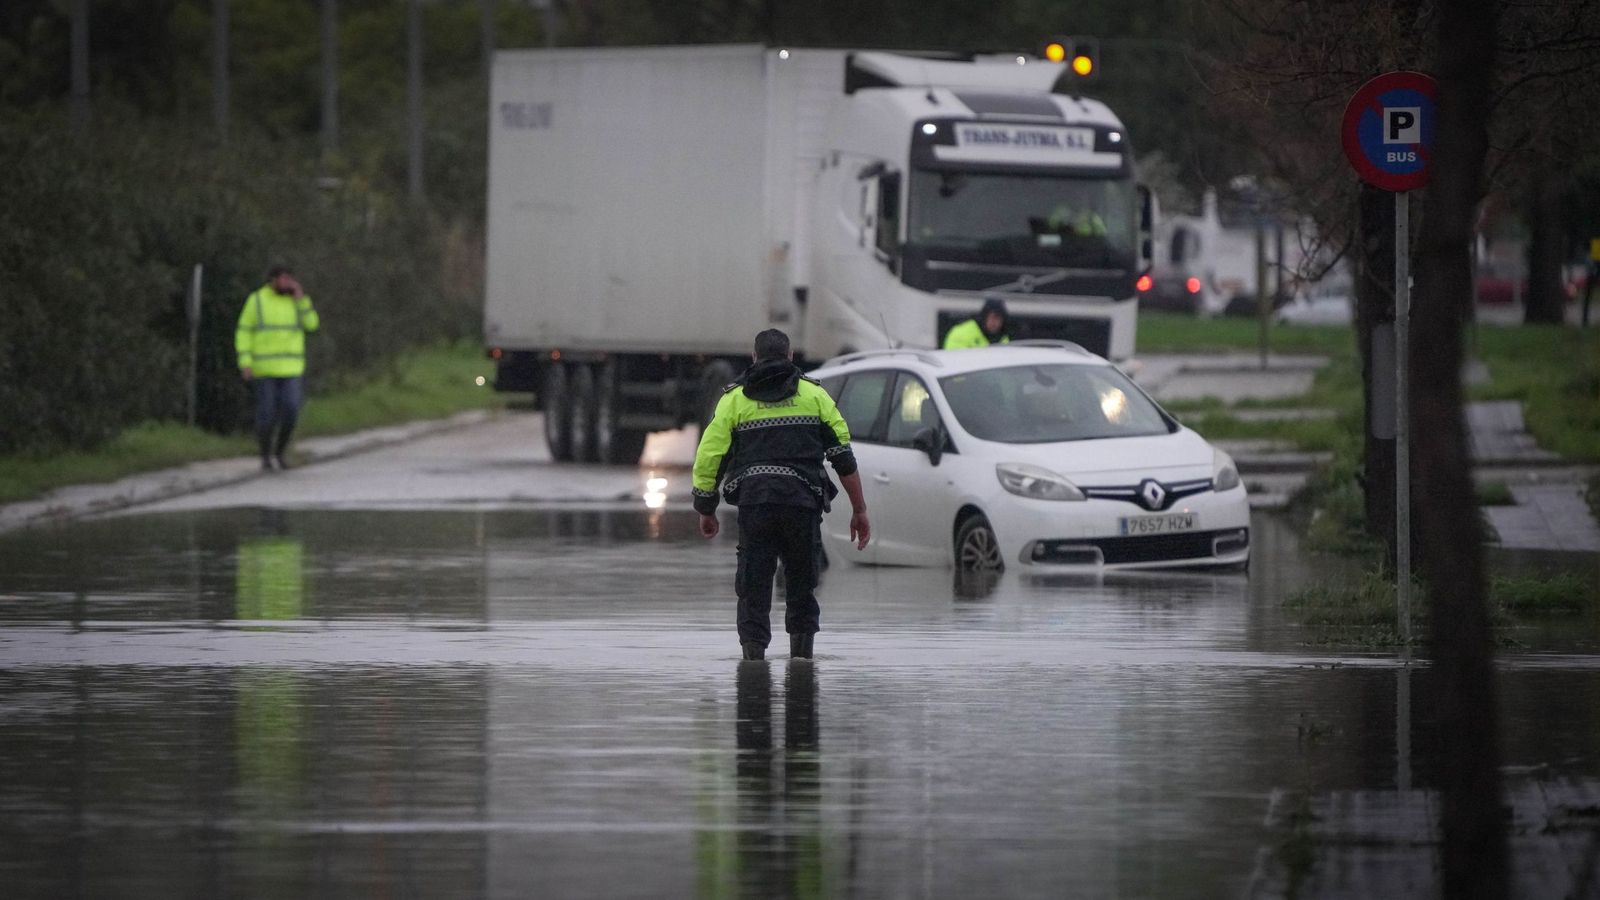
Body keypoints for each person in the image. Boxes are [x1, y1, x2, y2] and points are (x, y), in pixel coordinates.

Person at [692, 329, 870, 661]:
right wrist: (859, 510)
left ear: (754, 357)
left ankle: (753, 669)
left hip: (756, 505)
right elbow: (843, 457)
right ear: (790, 357)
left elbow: (709, 456)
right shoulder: (815, 397)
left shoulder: (735, 400)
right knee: (802, 588)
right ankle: (802, 669)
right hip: (802, 506)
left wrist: (706, 507)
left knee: (753, 590)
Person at [236, 265, 320, 471]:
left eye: (289, 278)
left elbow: (312, 325)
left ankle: (280, 452)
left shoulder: (297, 302)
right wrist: (245, 362)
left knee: (291, 411)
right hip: (264, 370)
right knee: (266, 415)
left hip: (291, 369)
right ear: (272, 280)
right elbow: (244, 332)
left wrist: (302, 301)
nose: (286, 282)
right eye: (282, 278)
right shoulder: (256, 301)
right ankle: (265, 455)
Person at [942, 296, 1011, 349]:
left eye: (1000, 319)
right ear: (985, 316)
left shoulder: (1003, 339)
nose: (996, 323)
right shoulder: (961, 334)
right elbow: (955, 361)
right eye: (993, 318)